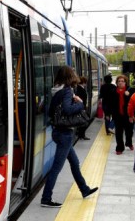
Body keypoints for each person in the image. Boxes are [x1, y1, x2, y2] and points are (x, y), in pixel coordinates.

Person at [42, 66, 98, 208]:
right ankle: (46, 198)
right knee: (57, 167)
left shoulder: (56, 90)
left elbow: (50, 111)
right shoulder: (67, 91)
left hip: (58, 131)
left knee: (74, 162)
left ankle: (84, 189)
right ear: (70, 76)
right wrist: (79, 103)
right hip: (65, 133)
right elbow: (67, 110)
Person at [113, 74, 134, 155]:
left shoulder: (130, 90)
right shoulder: (114, 91)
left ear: (125, 82)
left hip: (128, 115)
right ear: (117, 83)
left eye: (122, 81)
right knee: (118, 133)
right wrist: (109, 114)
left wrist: (128, 96)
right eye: (119, 81)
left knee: (129, 131)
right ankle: (119, 148)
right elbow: (110, 104)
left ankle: (129, 142)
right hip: (117, 116)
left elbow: (133, 103)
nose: (121, 83)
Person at [75, 76, 91, 140]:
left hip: (82, 107)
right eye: (85, 82)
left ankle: (81, 134)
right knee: (86, 120)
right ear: (84, 82)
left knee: (83, 120)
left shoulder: (80, 88)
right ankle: (81, 134)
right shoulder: (80, 89)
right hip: (81, 107)